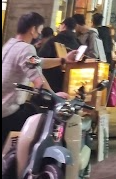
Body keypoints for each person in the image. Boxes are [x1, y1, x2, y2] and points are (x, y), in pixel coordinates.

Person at [2, 12, 75, 146]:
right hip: (8, 111)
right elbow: (38, 79)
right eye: (40, 29)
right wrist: (54, 95)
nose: (40, 33)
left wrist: (63, 60)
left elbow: (37, 62)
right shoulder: (27, 48)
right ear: (33, 29)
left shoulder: (11, 44)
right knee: (39, 123)